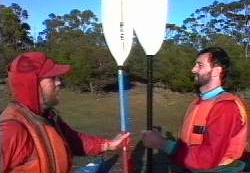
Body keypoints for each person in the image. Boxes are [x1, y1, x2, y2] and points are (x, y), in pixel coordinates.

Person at [0, 52, 130, 173]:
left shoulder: (48, 117)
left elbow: (74, 140)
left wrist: (107, 145)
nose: (59, 82)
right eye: (52, 78)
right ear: (32, 84)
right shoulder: (11, 129)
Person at [142, 47, 249, 172]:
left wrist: (161, 143)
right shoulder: (198, 102)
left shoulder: (226, 107)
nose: (193, 69)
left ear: (216, 71)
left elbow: (208, 158)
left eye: (200, 65)